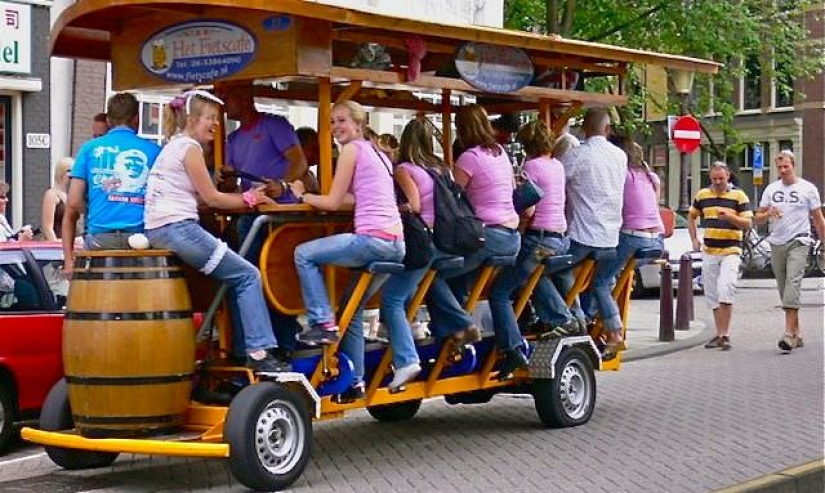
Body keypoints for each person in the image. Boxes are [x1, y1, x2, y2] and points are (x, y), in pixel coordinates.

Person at [143, 89, 289, 373]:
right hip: (179, 228)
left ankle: (235, 347)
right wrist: (250, 199)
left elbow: (198, 199)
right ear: (192, 118)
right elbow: (212, 199)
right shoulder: (190, 148)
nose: (215, 124)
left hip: (160, 228)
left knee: (232, 277)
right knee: (248, 275)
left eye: (216, 119)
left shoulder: (172, 146)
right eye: (209, 118)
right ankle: (260, 353)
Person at [290, 100, 404, 401]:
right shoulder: (377, 151)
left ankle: (322, 322)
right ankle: (355, 381)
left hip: (372, 241)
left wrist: (303, 194)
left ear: (358, 123)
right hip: (395, 243)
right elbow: (353, 199)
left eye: (341, 121)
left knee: (304, 253)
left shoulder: (352, 150)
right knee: (352, 310)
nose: (336, 127)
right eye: (331, 122)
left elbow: (330, 202)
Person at [426, 103, 521, 371]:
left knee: (431, 272)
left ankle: (462, 325)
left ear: (463, 129)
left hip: (487, 236)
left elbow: (451, 196)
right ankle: (454, 337)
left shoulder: (469, 157)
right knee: (456, 277)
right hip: (511, 236)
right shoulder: (500, 153)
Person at [218, 83, 309, 356]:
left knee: (275, 279)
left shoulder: (274, 125)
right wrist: (227, 179)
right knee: (251, 279)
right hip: (251, 215)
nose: (225, 106)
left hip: (279, 216)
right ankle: (252, 346)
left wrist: (282, 184)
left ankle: (278, 344)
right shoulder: (232, 140)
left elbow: (300, 163)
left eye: (228, 99)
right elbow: (235, 184)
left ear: (245, 97)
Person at [487, 119, 570, 378]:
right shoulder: (557, 165)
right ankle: (564, 317)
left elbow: (529, 207)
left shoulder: (531, 166)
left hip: (539, 238)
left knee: (499, 291)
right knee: (530, 277)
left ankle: (513, 348)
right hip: (560, 237)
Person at [378, 119, 446, 391]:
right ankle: (415, 325)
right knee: (411, 288)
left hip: (422, 240)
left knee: (391, 297)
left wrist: (396, 207)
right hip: (446, 239)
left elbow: (415, 205)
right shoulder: (440, 167)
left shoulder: (405, 169)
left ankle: (406, 357)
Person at [62, 92, 161, 275]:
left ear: (108, 120)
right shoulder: (155, 151)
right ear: (136, 119)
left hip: (101, 239)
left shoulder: (89, 149)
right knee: (140, 301)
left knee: (101, 301)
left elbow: (74, 202)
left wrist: (68, 260)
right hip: (141, 239)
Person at [555, 108, 627, 336]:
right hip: (610, 237)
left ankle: (575, 318)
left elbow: (556, 184)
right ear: (607, 129)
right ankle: (612, 328)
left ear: (584, 129)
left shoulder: (576, 155)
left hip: (582, 236)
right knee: (601, 282)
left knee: (554, 270)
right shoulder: (620, 156)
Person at [592, 135, 664, 358]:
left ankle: (614, 332)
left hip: (633, 237)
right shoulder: (652, 177)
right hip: (657, 239)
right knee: (611, 274)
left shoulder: (621, 176)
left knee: (599, 282)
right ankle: (600, 314)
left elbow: (612, 208)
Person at [754, 150, 825, 351]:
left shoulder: (807, 189)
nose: (783, 171)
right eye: (780, 167)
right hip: (777, 242)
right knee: (784, 288)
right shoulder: (771, 189)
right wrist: (769, 213)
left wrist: (823, 243)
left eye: (786, 166)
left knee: (793, 284)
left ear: (793, 165)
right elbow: (757, 217)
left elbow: (818, 219)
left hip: (800, 241)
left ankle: (788, 334)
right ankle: (797, 332)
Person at [688, 162, 753, 351]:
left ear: (728, 177)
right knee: (712, 293)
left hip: (731, 249)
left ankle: (725, 334)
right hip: (709, 250)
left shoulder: (738, 196)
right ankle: (719, 332)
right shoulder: (702, 195)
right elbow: (692, 216)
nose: (718, 183)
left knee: (726, 286)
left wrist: (730, 217)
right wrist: (694, 239)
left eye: (721, 179)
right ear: (710, 177)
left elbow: (747, 223)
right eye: (714, 179)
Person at [41, 157, 73, 241]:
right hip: (58, 246)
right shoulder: (51, 195)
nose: (72, 174)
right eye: (69, 171)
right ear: (60, 172)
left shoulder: (72, 195)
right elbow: (47, 228)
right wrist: (55, 245)